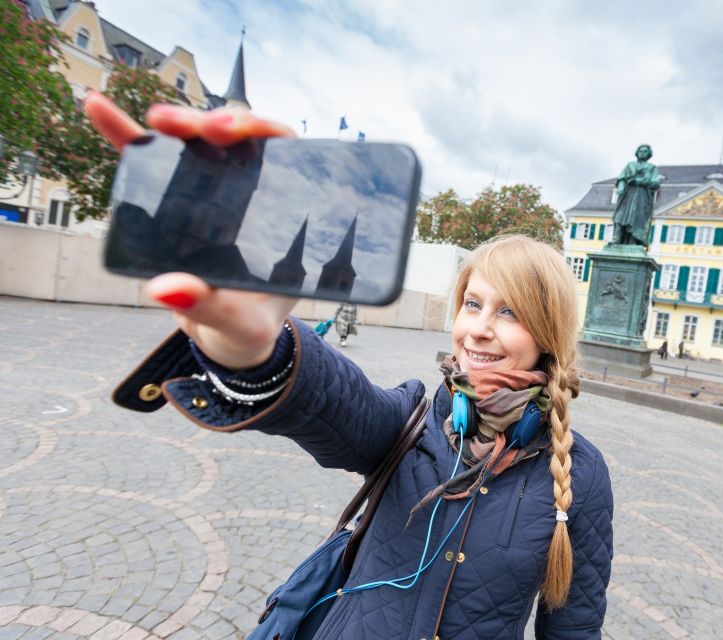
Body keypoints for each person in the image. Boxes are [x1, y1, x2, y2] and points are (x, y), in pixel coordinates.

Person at [88, 94, 613, 639]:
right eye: (472, 303)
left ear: (548, 335)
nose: (478, 327)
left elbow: (573, 629)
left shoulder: (583, 476)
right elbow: (333, 404)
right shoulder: (415, 419)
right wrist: (259, 352)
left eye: (508, 313)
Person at [611, 144, 661, 247]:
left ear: (649, 154)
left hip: (642, 197)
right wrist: (620, 187)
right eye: (640, 151)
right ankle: (616, 238)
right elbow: (622, 178)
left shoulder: (652, 168)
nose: (642, 153)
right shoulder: (630, 165)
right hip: (627, 195)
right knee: (619, 216)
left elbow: (656, 183)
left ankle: (634, 242)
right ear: (637, 153)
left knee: (637, 219)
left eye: (645, 151)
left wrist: (640, 181)